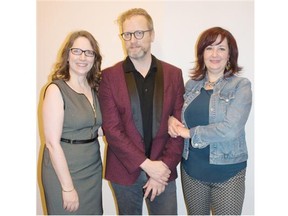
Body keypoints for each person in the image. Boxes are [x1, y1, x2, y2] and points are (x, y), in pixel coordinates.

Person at [98, 8, 185, 215]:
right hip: (124, 171)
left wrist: (162, 168)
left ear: (152, 34)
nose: (132, 40)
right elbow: (112, 129)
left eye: (139, 33)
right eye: (127, 34)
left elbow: (180, 127)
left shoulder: (174, 74)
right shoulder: (109, 77)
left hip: (163, 171)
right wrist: (147, 165)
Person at [168, 26, 252, 215]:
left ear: (230, 55)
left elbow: (230, 129)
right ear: (202, 53)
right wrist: (170, 120)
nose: (215, 54)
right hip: (192, 171)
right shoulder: (191, 86)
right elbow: (176, 113)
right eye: (209, 48)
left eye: (221, 48)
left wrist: (189, 133)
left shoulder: (241, 86)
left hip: (228, 173)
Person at [41, 30, 103, 215]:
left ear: (94, 58)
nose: (83, 57)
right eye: (77, 51)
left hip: (92, 168)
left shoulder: (94, 88)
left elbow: (95, 127)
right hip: (64, 171)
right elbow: (52, 143)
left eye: (89, 52)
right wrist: (68, 188)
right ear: (67, 54)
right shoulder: (55, 90)